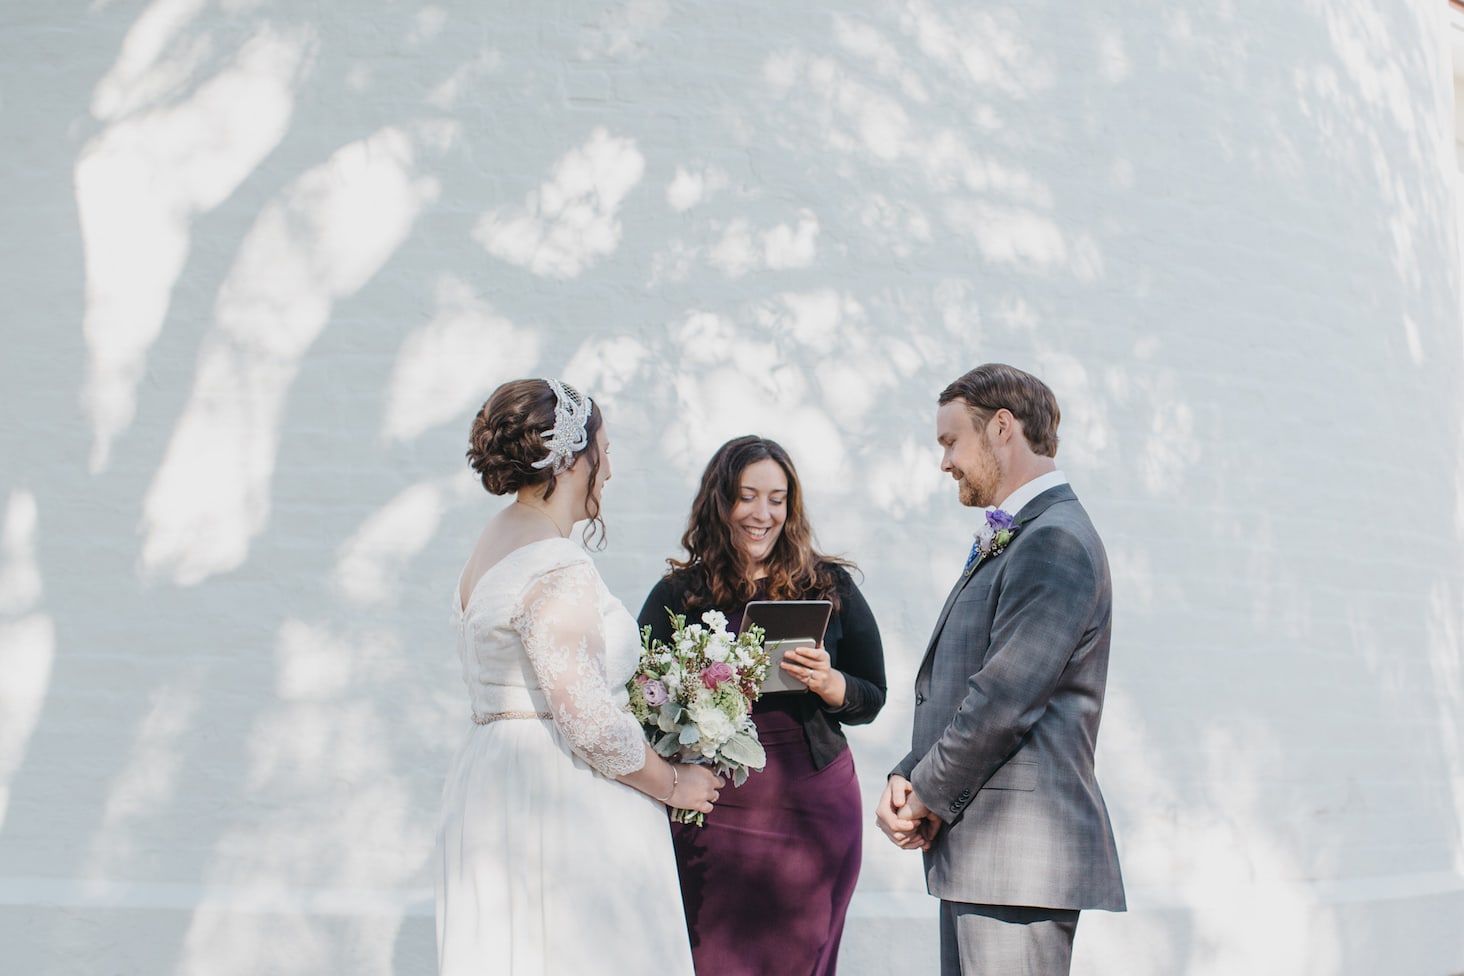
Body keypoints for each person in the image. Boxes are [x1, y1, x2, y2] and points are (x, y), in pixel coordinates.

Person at [434, 378, 722, 976]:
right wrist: (674, 784)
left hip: (494, 781)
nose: (609, 471)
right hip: (558, 796)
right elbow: (588, 720)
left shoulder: (490, 545)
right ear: (570, 458)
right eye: (605, 451)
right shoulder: (554, 564)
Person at [874, 363, 1125, 975]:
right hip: (986, 858)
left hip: (1019, 862)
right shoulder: (1026, 532)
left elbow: (1004, 699)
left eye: (950, 441)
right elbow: (969, 685)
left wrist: (925, 793)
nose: (945, 463)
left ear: (1002, 429)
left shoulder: (1055, 540)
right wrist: (907, 776)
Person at [638, 435, 887, 976]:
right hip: (712, 812)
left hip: (813, 810)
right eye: (748, 496)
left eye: (777, 499)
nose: (763, 513)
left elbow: (873, 695)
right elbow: (638, 698)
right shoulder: (679, 594)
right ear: (721, 502)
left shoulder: (827, 584)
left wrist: (830, 683)